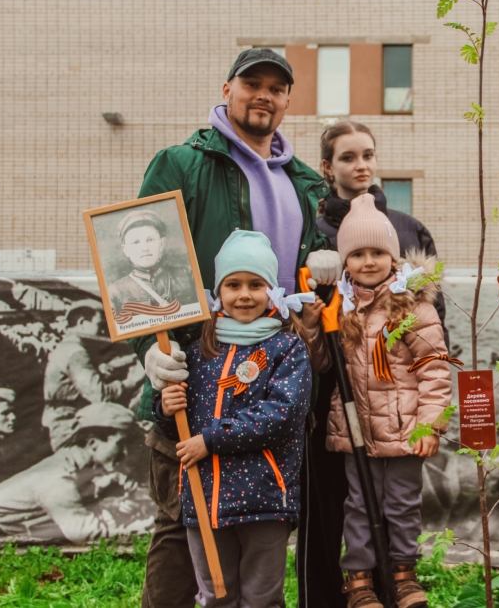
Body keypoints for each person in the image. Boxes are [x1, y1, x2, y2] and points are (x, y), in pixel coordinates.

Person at [134, 47, 339, 608]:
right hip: (194, 378)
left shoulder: (306, 183)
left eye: (277, 88)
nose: (264, 95)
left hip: (271, 384)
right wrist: (149, 357)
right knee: (183, 523)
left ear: (287, 102)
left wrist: (320, 283)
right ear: (227, 89)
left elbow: (311, 278)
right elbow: (141, 261)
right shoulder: (182, 164)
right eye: (253, 83)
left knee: (263, 531)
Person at [156, 230, 323, 607]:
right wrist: (165, 406)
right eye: (233, 284)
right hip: (205, 500)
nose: (244, 294)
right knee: (215, 597)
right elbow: (177, 423)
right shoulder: (198, 351)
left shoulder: (286, 347)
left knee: (262, 599)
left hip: (264, 498)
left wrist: (210, 440)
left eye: (255, 284)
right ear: (219, 292)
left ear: (271, 290)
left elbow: (282, 414)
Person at [327, 194, 451, 608]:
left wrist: (430, 424)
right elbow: (325, 362)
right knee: (358, 505)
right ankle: (359, 578)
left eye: (377, 252)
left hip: (404, 430)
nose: (367, 262)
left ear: (392, 256)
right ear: (345, 261)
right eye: (357, 254)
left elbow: (433, 365)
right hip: (357, 430)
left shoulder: (411, 305)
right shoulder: (340, 307)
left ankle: (403, 573)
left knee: (402, 504)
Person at [315, 120, 447, 341]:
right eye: (348, 158)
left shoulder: (409, 229)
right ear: (327, 167)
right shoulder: (314, 233)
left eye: (368, 155)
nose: (361, 165)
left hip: (403, 370)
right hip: (336, 367)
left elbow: (436, 316)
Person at [0, 402, 143, 544]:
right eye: (120, 444)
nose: (125, 452)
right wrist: (140, 531)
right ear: (93, 443)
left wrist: (114, 504)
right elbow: (86, 533)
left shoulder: (76, 468)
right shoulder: (58, 478)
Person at [43, 299, 131, 450]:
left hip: (71, 423)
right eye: (100, 326)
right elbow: (99, 395)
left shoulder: (68, 348)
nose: (103, 332)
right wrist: (129, 382)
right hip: (70, 428)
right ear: (82, 322)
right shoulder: (75, 352)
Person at [107, 209, 197, 319]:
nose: (144, 248)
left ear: (162, 243)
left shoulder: (187, 275)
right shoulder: (116, 291)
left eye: (150, 240)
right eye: (136, 242)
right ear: (126, 250)